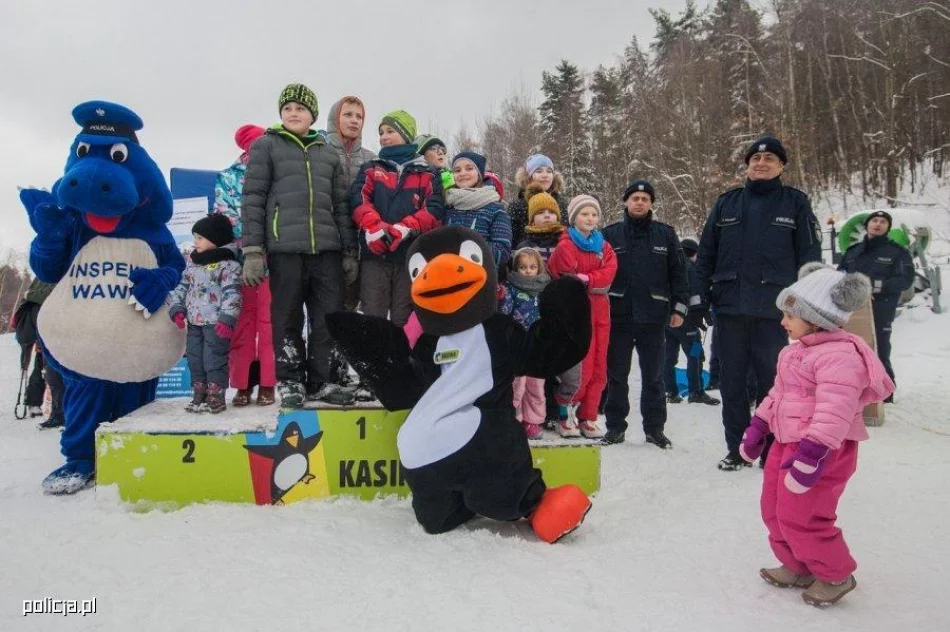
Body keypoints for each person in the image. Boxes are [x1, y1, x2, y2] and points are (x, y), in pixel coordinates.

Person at [739, 263, 893, 607]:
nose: (783, 322)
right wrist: (758, 426)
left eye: (790, 315)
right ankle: (798, 566)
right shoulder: (794, 352)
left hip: (822, 451)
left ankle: (836, 573)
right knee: (774, 508)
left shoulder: (840, 357)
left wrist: (812, 453)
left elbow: (834, 413)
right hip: (786, 442)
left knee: (804, 514)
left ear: (816, 317)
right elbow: (778, 394)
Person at [690, 136, 822, 470]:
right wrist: (698, 299)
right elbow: (705, 256)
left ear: (781, 166)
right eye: (755, 159)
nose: (761, 164)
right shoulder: (726, 204)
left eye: (770, 159)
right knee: (731, 384)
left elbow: (810, 260)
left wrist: (806, 309)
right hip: (730, 310)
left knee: (773, 385)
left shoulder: (795, 204)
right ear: (747, 165)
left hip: (774, 313)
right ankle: (737, 449)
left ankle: (770, 449)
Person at [241, 83, 356, 408]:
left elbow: (341, 206)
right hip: (285, 249)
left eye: (300, 109)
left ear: (312, 115)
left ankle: (323, 381)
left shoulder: (327, 153)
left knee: (327, 318)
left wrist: (348, 251)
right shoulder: (266, 146)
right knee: (286, 317)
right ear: (281, 114)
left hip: (327, 251)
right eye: (288, 108)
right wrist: (252, 250)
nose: (294, 113)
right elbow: (252, 198)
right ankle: (290, 382)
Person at [601, 181, 688, 448]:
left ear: (651, 204)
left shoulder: (665, 235)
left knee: (654, 376)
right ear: (626, 202)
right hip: (618, 316)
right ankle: (615, 427)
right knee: (617, 376)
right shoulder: (609, 235)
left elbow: (679, 273)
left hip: (654, 317)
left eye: (645, 199)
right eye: (635, 198)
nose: (640, 202)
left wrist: (679, 308)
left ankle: (654, 428)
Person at [350, 110, 444, 328]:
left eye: (390, 131)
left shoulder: (427, 173)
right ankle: (375, 361)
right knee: (373, 318)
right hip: (375, 255)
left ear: (406, 134)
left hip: (409, 256)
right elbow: (359, 199)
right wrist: (375, 227)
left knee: (405, 317)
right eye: (381, 132)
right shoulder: (372, 167)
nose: (383, 136)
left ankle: (404, 361)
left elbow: (434, 209)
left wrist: (405, 228)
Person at [214, 124, 276, 407]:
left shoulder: (278, 173)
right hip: (242, 262)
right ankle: (241, 385)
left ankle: (267, 383)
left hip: (273, 262)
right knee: (242, 325)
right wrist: (250, 243)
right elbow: (226, 217)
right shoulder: (228, 177)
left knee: (269, 323)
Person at [548, 195, 617, 438]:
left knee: (599, 366)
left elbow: (608, 277)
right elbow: (566, 277)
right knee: (580, 365)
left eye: (593, 214)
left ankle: (589, 416)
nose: (589, 218)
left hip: (601, 312)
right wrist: (589, 282)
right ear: (574, 217)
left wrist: (586, 278)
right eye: (584, 214)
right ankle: (565, 414)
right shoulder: (565, 245)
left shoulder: (604, 246)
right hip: (576, 311)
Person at [324, 96, 378, 403]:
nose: (354, 120)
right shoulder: (320, 152)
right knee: (327, 311)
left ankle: (348, 367)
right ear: (336, 117)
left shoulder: (370, 158)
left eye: (359, 115)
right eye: (348, 114)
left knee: (353, 308)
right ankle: (328, 370)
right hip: (327, 244)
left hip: (360, 245)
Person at [837, 210, 914, 402]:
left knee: (879, 348)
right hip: (852, 310)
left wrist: (874, 286)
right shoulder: (853, 251)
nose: (878, 224)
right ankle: (855, 391)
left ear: (888, 227)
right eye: (874, 220)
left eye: (883, 222)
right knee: (850, 350)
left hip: (882, 307)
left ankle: (885, 393)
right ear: (867, 225)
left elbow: (905, 280)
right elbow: (839, 277)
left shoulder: (898, 252)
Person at [169, 215, 243, 414]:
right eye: (195, 237)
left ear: (215, 238)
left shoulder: (229, 265)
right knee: (195, 358)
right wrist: (177, 308)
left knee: (214, 358)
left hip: (216, 323)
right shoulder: (193, 264)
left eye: (200, 238)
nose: (196, 242)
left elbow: (233, 292)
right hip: (194, 322)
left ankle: (216, 395)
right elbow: (181, 287)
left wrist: (227, 319)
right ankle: (199, 394)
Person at [499, 248, 551, 439]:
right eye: (522, 267)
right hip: (518, 344)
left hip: (538, 345)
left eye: (532, 267)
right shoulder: (511, 288)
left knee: (536, 386)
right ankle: (514, 419)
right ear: (515, 269)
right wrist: (502, 296)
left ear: (539, 268)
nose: (528, 271)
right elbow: (505, 312)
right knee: (517, 385)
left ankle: (533, 421)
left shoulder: (545, 289)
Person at [664, 238, 719, 406]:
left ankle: (671, 391)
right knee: (695, 355)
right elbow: (695, 296)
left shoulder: (669, 265)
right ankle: (696, 391)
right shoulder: (690, 269)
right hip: (687, 322)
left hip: (667, 321)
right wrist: (703, 315)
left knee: (669, 357)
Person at [444, 151, 512, 272]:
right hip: (448, 275)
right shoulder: (448, 206)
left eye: (469, 168)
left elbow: (502, 253)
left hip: (481, 278)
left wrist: (466, 244)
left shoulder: (496, 209)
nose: (462, 173)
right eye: (457, 170)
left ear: (479, 174)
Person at [13, 279, 65, 428]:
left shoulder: (64, 271)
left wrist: (30, 294)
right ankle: (54, 412)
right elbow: (28, 296)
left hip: (59, 332)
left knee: (57, 376)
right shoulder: (41, 276)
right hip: (42, 332)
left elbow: (51, 294)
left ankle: (61, 414)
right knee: (49, 374)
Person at [507, 154, 568, 246]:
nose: (545, 175)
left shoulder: (562, 204)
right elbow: (511, 241)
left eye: (549, 171)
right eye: (539, 171)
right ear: (529, 176)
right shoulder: (517, 206)